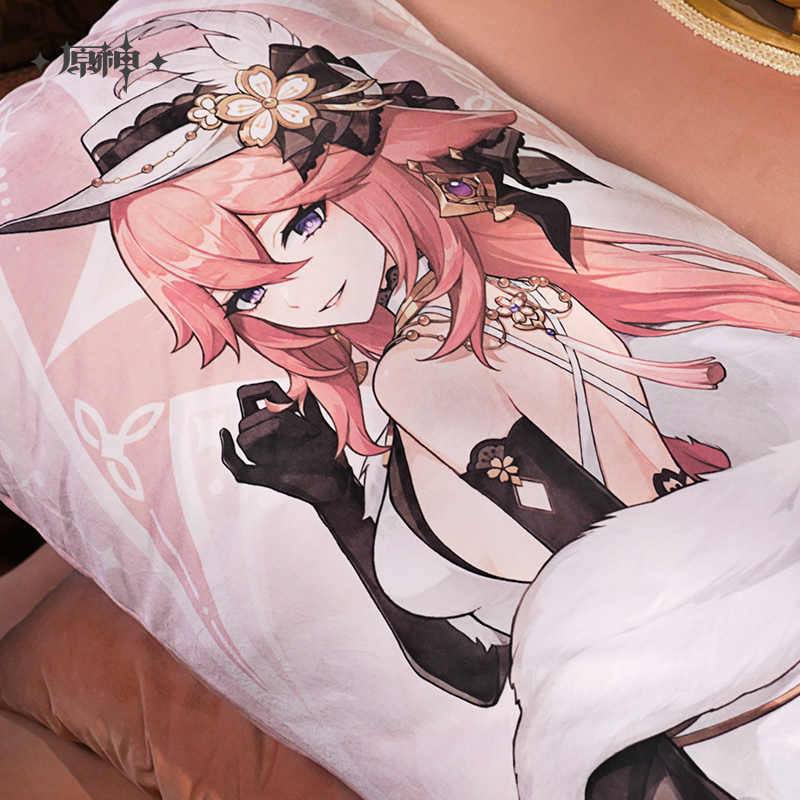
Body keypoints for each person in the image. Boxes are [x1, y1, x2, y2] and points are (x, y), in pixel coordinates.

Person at [4, 10, 800, 799]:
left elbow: (623, 587)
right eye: (245, 293)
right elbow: (479, 671)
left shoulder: (424, 369)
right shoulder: (438, 357)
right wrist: (332, 501)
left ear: (363, 172)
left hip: (696, 722)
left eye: (302, 222)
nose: (296, 291)